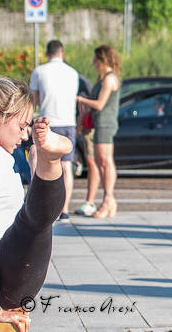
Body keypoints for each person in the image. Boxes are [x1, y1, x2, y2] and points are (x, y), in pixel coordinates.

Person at [0, 77, 72, 331]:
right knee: (34, 222)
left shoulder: (4, 154)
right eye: (21, 126)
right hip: (4, 277)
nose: (25, 134)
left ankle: (47, 164)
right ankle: (49, 163)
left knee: (36, 222)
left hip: (13, 272)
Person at [29, 40, 79, 221]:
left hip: (46, 121)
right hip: (68, 122)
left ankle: (39, 202)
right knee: (66, 166)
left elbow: (34, 98)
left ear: (47, 53)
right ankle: (64, 209)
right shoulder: (73, 73)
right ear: (62, 53)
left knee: (37, 158)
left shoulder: (39, 71)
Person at [75, 45, 121, 219]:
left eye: (96, 59)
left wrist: (80, 99)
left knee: (105, 161)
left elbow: (100, 104)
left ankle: (109, 199)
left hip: (105, 123)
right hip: (100, 122)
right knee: (102, 161)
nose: (94, 63)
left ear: (103, 59)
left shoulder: (109, 79)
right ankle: (109, 199)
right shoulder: (105, 78)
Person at [74, 73, 97, 217]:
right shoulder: (81, 80)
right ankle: (90, 201)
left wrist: (78, 129)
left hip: (87, 126)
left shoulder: (80, 82)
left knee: (91, 162)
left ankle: (90, 201)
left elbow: (84, 107)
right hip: (83, 125)